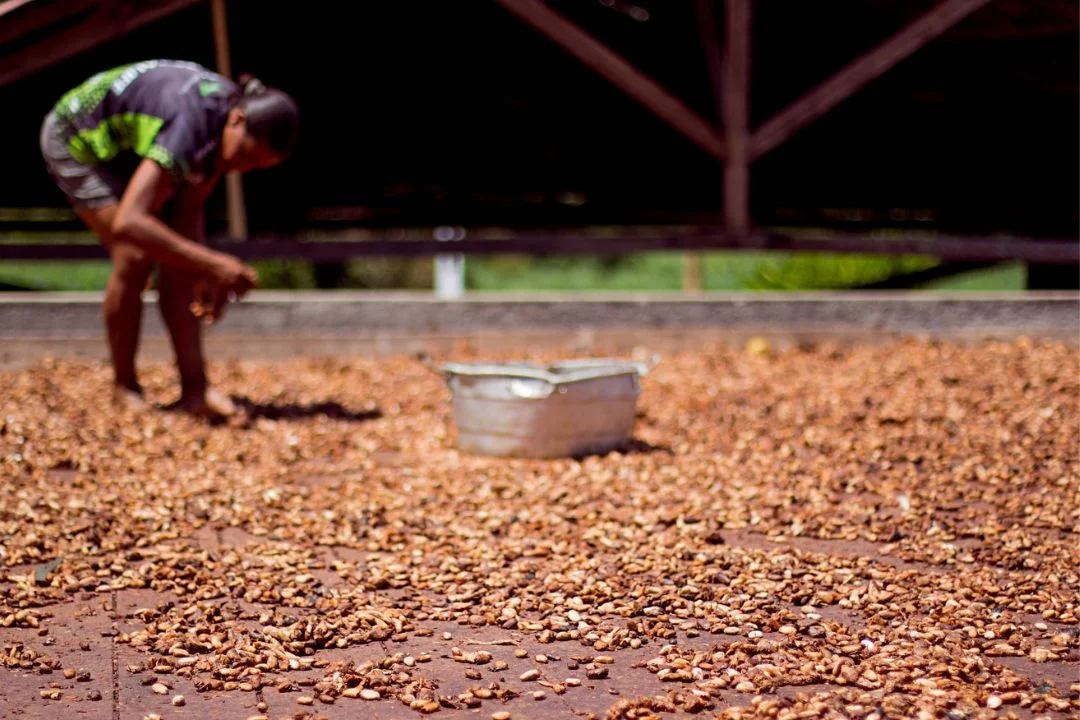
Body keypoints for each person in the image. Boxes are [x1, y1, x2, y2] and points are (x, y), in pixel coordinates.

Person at [39, 59, 299, 418]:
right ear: (237, 121)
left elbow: (187, 214)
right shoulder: (192, 123)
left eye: (255, 167)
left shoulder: (219, 132)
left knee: (177, 262)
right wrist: (214, 264)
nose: (242, 168)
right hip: (76, 137)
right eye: (245, 155)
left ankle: (196, 391)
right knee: (135, 256)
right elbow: (129, 222)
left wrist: (201, 270)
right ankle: (124, 389)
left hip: (128, 152)